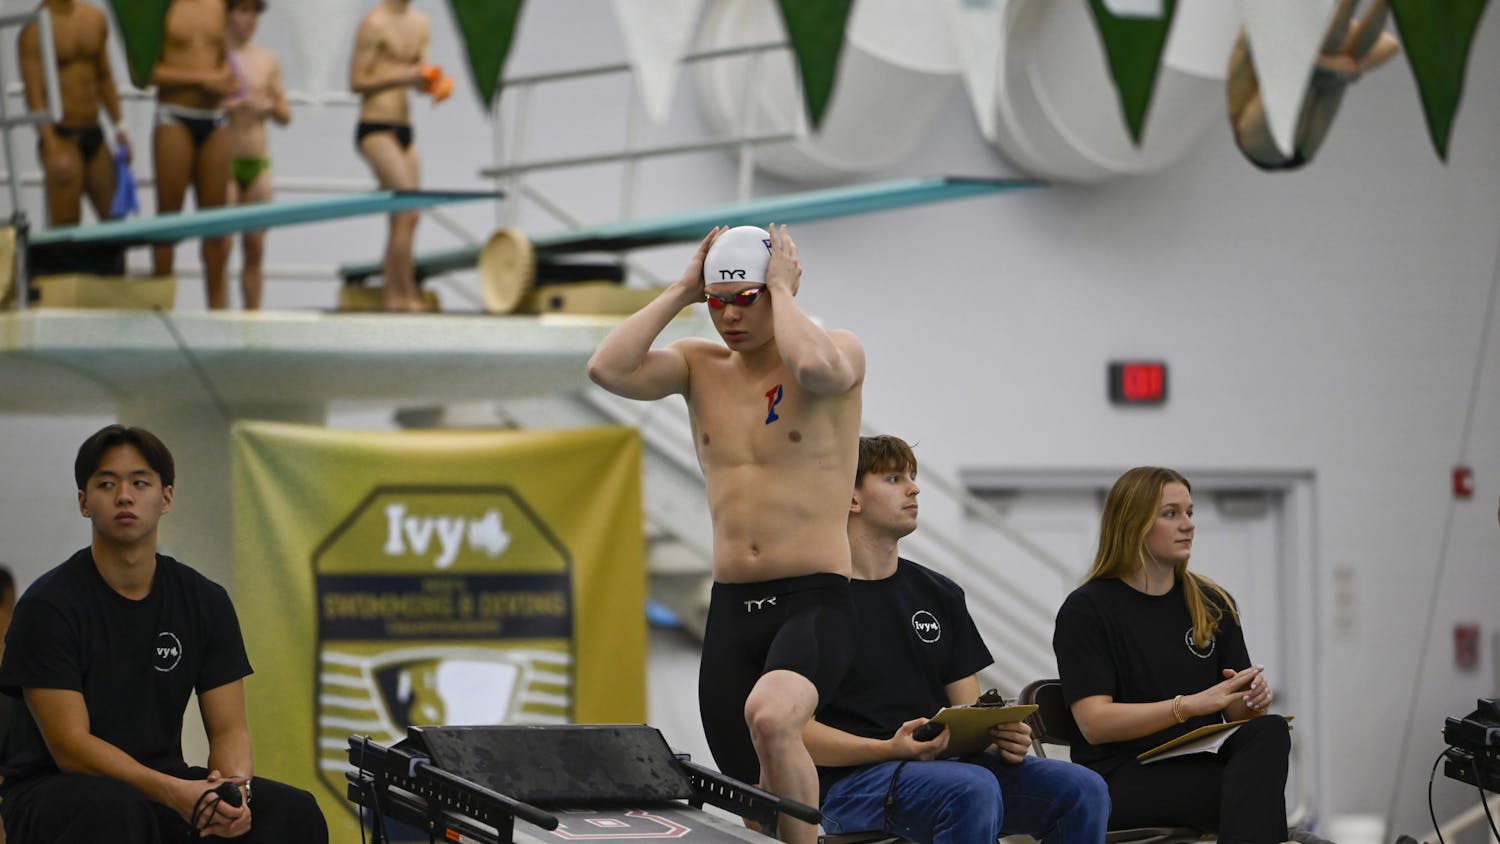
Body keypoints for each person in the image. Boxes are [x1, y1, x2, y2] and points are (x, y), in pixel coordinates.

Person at [588, 224, 864, 844]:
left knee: (773, 719)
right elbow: (606, 368)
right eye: (717, 302)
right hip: (733, 609)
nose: (729, 316)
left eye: (745, 299)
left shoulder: (836, 349)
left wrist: (783, 292)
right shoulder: (697, 364)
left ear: (776, 290)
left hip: (812, 600)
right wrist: (681, 290)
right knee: (750, 792)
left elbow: (817, 368)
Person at [0, 424, 329, 842]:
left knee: (292, 811)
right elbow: (71, 747)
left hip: (162, 783)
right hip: (55, 791)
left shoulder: (204, 600)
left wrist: (234, 793)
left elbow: (229, 730)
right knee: (117, 810)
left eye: (140, 483)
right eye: (106, 484)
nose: (124, 496)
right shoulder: (48, 606)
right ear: (84, 501)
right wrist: (175, 793)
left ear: (166, 497)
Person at [809, 434, 1110, 844]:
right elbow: (796, 734)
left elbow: (968, 711)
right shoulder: (813, 601)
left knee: (1083, 788)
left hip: (947, 771)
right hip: (852, 784)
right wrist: (890, 749)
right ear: (852, 499)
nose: (914, 489)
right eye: (894, 478)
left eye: (913, 477)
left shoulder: (939, 593)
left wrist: (999, 736)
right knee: (971, 788)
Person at [1052, 467, 1290, 842]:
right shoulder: (1087, 609)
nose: (1188, 525)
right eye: (1171, 513)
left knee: (1270, 731)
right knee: (1252, 794)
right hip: (1122, 773)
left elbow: (1237, 714)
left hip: (1198, 761)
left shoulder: (1212, 602)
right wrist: (1188, 706)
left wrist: (1252, 700)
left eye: (1190, 512)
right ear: (1133, 524)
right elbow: (1094, 724)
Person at [349, 0, 446, 313]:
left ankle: (404, 292)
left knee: (410, 215)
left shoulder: (420, 23)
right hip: (375, 127)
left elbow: (419, 76)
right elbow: (356, 82)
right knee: (405, 210)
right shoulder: (374, 24)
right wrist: (403, 75)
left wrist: (433, 84)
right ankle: (395, 294)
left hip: (405, 126)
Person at [1227, 0, 1399, 171]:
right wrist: (1337, 66)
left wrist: (1348, 66)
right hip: (1260, 141)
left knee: (1334, 60)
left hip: (1302, 150)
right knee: (1325, 63)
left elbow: (1390, 45)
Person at [152, 0, 238, 308]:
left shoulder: (219, 5)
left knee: (215, 224)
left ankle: (217, 312)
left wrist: (226, 78)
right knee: (168, 218)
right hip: (175, 114)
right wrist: (201, 79)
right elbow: (146, 73)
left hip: (215, 119)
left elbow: (223, 59)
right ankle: (162, 309)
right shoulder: (160, 7)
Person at [16, 0, 130, 227]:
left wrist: (120, 126)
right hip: (62, 134)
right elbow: (34, 94)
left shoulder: (94, 18)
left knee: (116, 218)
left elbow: (104, 77)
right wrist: (51, 145)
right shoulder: (35, 29)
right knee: (66, 224)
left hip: (93, 130)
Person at [224, 0, 290, 310]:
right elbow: (202, 104)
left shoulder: (267, 59)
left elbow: (285, 114)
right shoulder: (215, 57)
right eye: (243, 12)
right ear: (228, 14)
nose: (250, 20)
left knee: (255, 249)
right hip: (225, 163)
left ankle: (253, 318)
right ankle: (219, 317)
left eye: (255, 13)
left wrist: (270, 106)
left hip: (258, 162)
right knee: (221, 247)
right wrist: (236, 106)